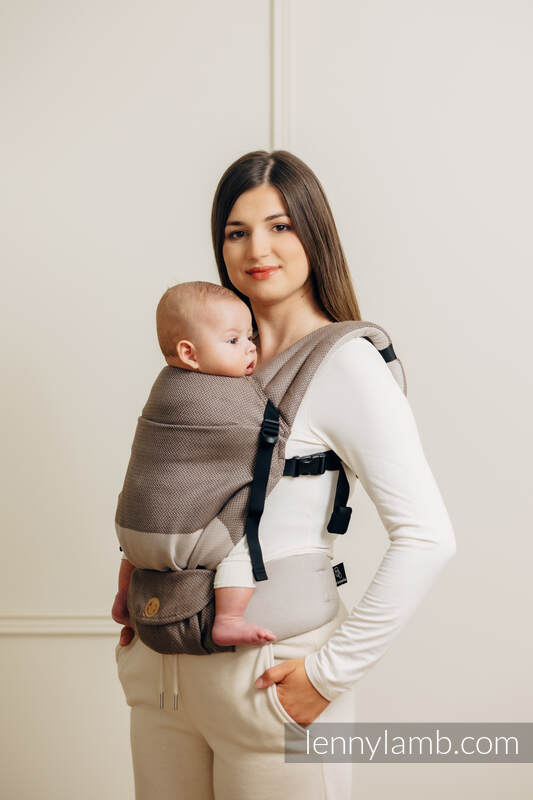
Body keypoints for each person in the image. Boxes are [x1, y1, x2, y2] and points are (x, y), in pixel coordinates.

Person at [112, 150, 457, 800]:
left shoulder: (344, 364)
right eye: (236, 232)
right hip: (161, 678)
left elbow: (428, 537)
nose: (256, 249)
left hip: (269, 683)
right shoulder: (202, 361)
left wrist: (326, 678)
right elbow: (169, 491)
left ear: (313, 233)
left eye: (279, 226)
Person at [118, 278, 277, 647]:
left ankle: (122, 601)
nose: (250, 348)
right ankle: (229, 618)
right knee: (245, 539)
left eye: (250, 337)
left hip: (131, 530)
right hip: (179, 535)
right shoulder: (224, 396)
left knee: (135, 554)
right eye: (233, 340)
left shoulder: (163, 388)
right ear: (189, 354)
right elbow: (264, 438)